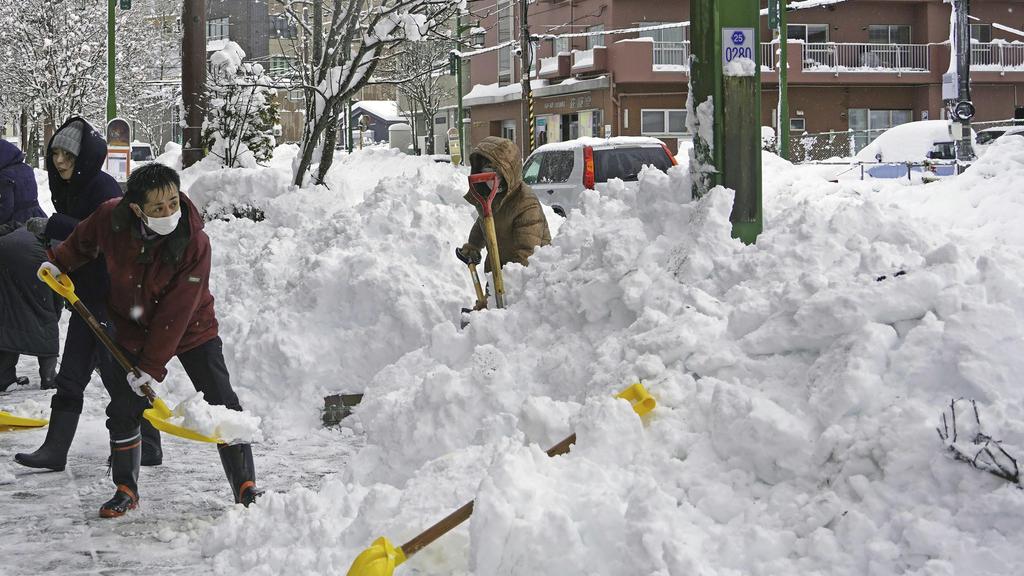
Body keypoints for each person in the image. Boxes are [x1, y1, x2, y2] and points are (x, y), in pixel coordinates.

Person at [40, 162, 261, 517]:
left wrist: (150, 366)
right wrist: (59, 262)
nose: (169, 212)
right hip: (131, 325)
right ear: (136, 208)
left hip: (192, 327)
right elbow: (83, 240)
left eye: (173, 202)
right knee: (125, 407)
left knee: (222, 400)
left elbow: (178, 310)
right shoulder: (111, 218)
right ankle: (126, 487)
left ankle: (245, 485)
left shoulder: (194, 240)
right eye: (158, 207)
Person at [14, 117, 163, 471]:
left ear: (84, 157)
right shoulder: (69, 187)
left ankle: (150, 445)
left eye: (68, 155)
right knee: (71, 377)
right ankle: (55, 451)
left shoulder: (104, 187)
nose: (60, 162)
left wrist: (55, 226)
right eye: (56, 154)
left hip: (112, 300)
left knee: (118, 376)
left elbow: (107, 236)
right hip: (84, 297)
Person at [458, 136, 551, 308]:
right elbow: (483, 223)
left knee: (510, 321)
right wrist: (473, 246)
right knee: (490, 313)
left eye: (498, 174)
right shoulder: (491, 197)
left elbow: (527, 253)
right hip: (497, 270)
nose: (491, 179)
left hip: (526, 278)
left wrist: (508, 283)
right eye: (487, 172)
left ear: (509, 173)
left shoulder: (525, 203)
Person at [0, 139, 58, 391]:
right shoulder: (23, 169)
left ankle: (4, 376)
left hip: (13, 238)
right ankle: (47, 375)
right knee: (43, 307)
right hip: (36, 231)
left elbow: (5, 209)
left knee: (9, 310)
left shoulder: (4, 176)